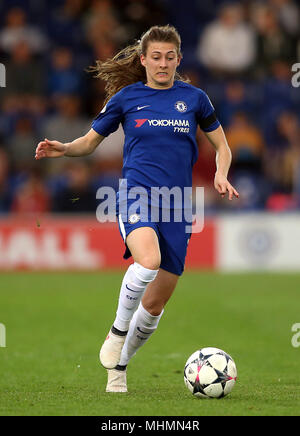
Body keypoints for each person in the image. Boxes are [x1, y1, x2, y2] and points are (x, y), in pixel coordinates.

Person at [35, 25, 239, 393]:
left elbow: (223, 147)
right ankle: (116, 331)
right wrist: (64, 148)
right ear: (143, 59)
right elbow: (89, 142)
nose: (163, 64)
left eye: (169, 57)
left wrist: (221, 174)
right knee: (146, 261)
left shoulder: (195, 99)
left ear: (179, 59)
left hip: (178, 206)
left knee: (156, 304)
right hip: (136, 195)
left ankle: (120, 366)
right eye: (156, 57)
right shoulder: (127, 98)